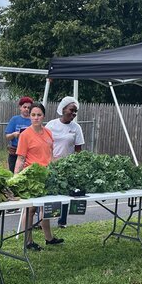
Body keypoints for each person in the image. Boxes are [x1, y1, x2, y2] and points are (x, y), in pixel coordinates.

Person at [15, 102, 63, 251]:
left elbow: (51, 155)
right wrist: (15, 177)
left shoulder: (48, 133)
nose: (36, 118)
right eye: (33, 115)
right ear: (29, 116)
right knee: (30, 209)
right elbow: (20, 159)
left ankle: (49, 238)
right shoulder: (25, 135)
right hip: (32, 177)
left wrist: (57, 168)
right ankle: (28, 241)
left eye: (39, 115)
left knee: (46, 208)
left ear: (43, 116)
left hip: (47, 176)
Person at [45, 95, 85, 228]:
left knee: (66, 192)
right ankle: (46, 220)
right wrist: (50, 159)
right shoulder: (51, 124)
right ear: (63, 109)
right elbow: (45, 144)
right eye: (71, 110)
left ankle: (62, 220)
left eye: (75, 112)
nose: (73, 114)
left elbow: (78, 149)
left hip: (68, 165)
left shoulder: (76, 128)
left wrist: (77, 165)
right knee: (52, 192)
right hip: (51, 163)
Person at [4, 96, 33, 172]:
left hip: (28, 152)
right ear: (20, 107)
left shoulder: (33, 121)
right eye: (25, 107)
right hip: (15, 152)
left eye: (29, 107)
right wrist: (14, 134)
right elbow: (7, 136)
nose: (27, 109)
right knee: (13, 174)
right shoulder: (14, 119)